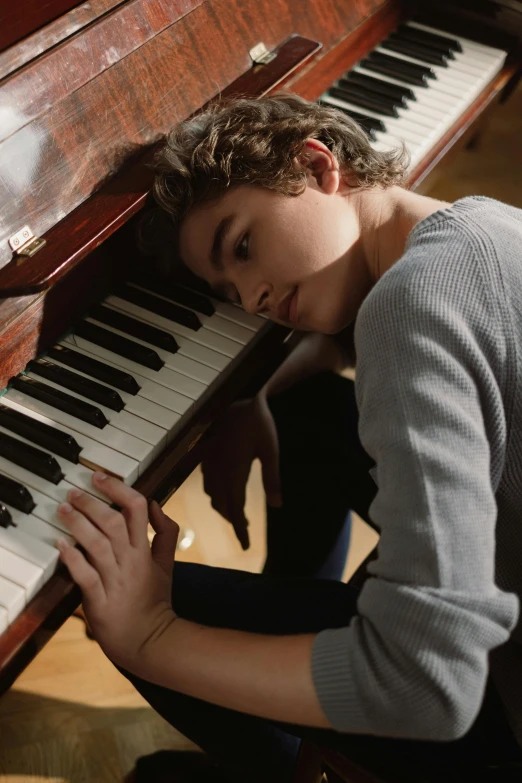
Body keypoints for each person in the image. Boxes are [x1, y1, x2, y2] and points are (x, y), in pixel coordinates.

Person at [55, 94, 522, 782]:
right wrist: (260, 393)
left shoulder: (409, 309)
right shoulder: (482, 225)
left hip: (497, 700)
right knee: (304, 401)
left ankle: (286, 761)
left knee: (124, 591)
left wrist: (150, 634)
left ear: (316, 164)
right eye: (227, 287)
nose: (250, 299)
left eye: (242, 246)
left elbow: (427, 685)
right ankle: (299, 648)